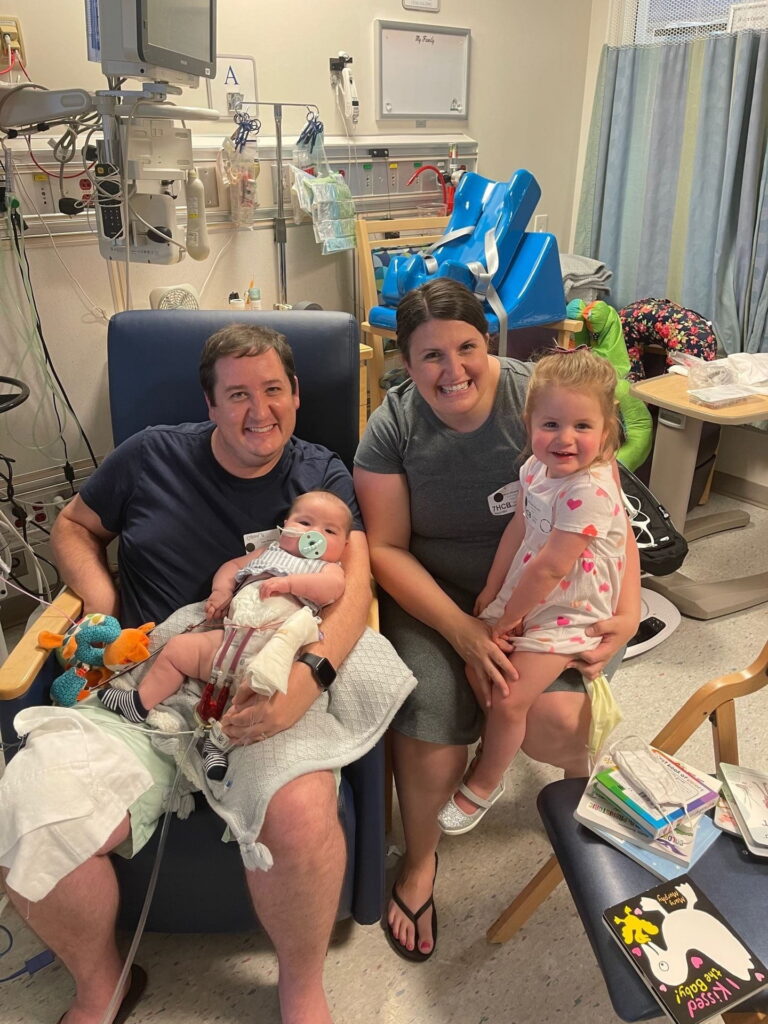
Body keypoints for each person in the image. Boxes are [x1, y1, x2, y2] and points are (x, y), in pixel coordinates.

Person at [0, 323, 371, 1024]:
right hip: (146, 687)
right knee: (30, 807)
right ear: (210, 404)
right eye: (237, 395)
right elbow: (74, 526)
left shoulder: (321, 476)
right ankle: (101, 983)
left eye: (272, 390)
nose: (257, 411)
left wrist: (308, 683)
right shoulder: (148, 456)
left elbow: (356, 582)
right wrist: (102, 601)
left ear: (295, 394)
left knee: (299, 812)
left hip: (259, 682)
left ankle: (300, 986)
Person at [353, 279, 640, 963]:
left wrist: (627, 612)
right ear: (405, 361)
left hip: (559, 598)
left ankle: (576, 819)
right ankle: (421, 860)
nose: (452, 371)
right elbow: (385, 549)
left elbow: (610, 512)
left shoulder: (538, 395)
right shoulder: (391, 429)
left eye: (466, 347)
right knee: (432, 713)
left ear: (490, 344)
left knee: (557, 720)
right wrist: (463, 627)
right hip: (441, 598)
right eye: (429, 357)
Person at [437, 347, 628, 834]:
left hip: (572, 609)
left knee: (508, 697)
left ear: (606, 431)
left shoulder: (590, 488)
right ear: (529, 424)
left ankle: (486, 779)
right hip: (531, 591)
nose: (565, 439)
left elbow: (550, 569)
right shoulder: (533, 470)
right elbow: (519, 530)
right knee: (476, 661)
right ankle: (504, 740)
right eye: (551, 425)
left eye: (582, 427)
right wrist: (493, 589)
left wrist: (507, 620)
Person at [97, 490, 351, 781]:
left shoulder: (328, 569)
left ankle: (217, 743)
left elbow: (332, 590)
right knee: (178, 649)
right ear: (284, 526)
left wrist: (290, 584)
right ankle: (140, 702)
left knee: (260, 702)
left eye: (329, 531)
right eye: (305, 523)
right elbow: (230, 568)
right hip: (226, 640)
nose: (314, 535)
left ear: (343, 545)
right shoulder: (266, 553)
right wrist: (221, 591)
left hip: (270, 653)